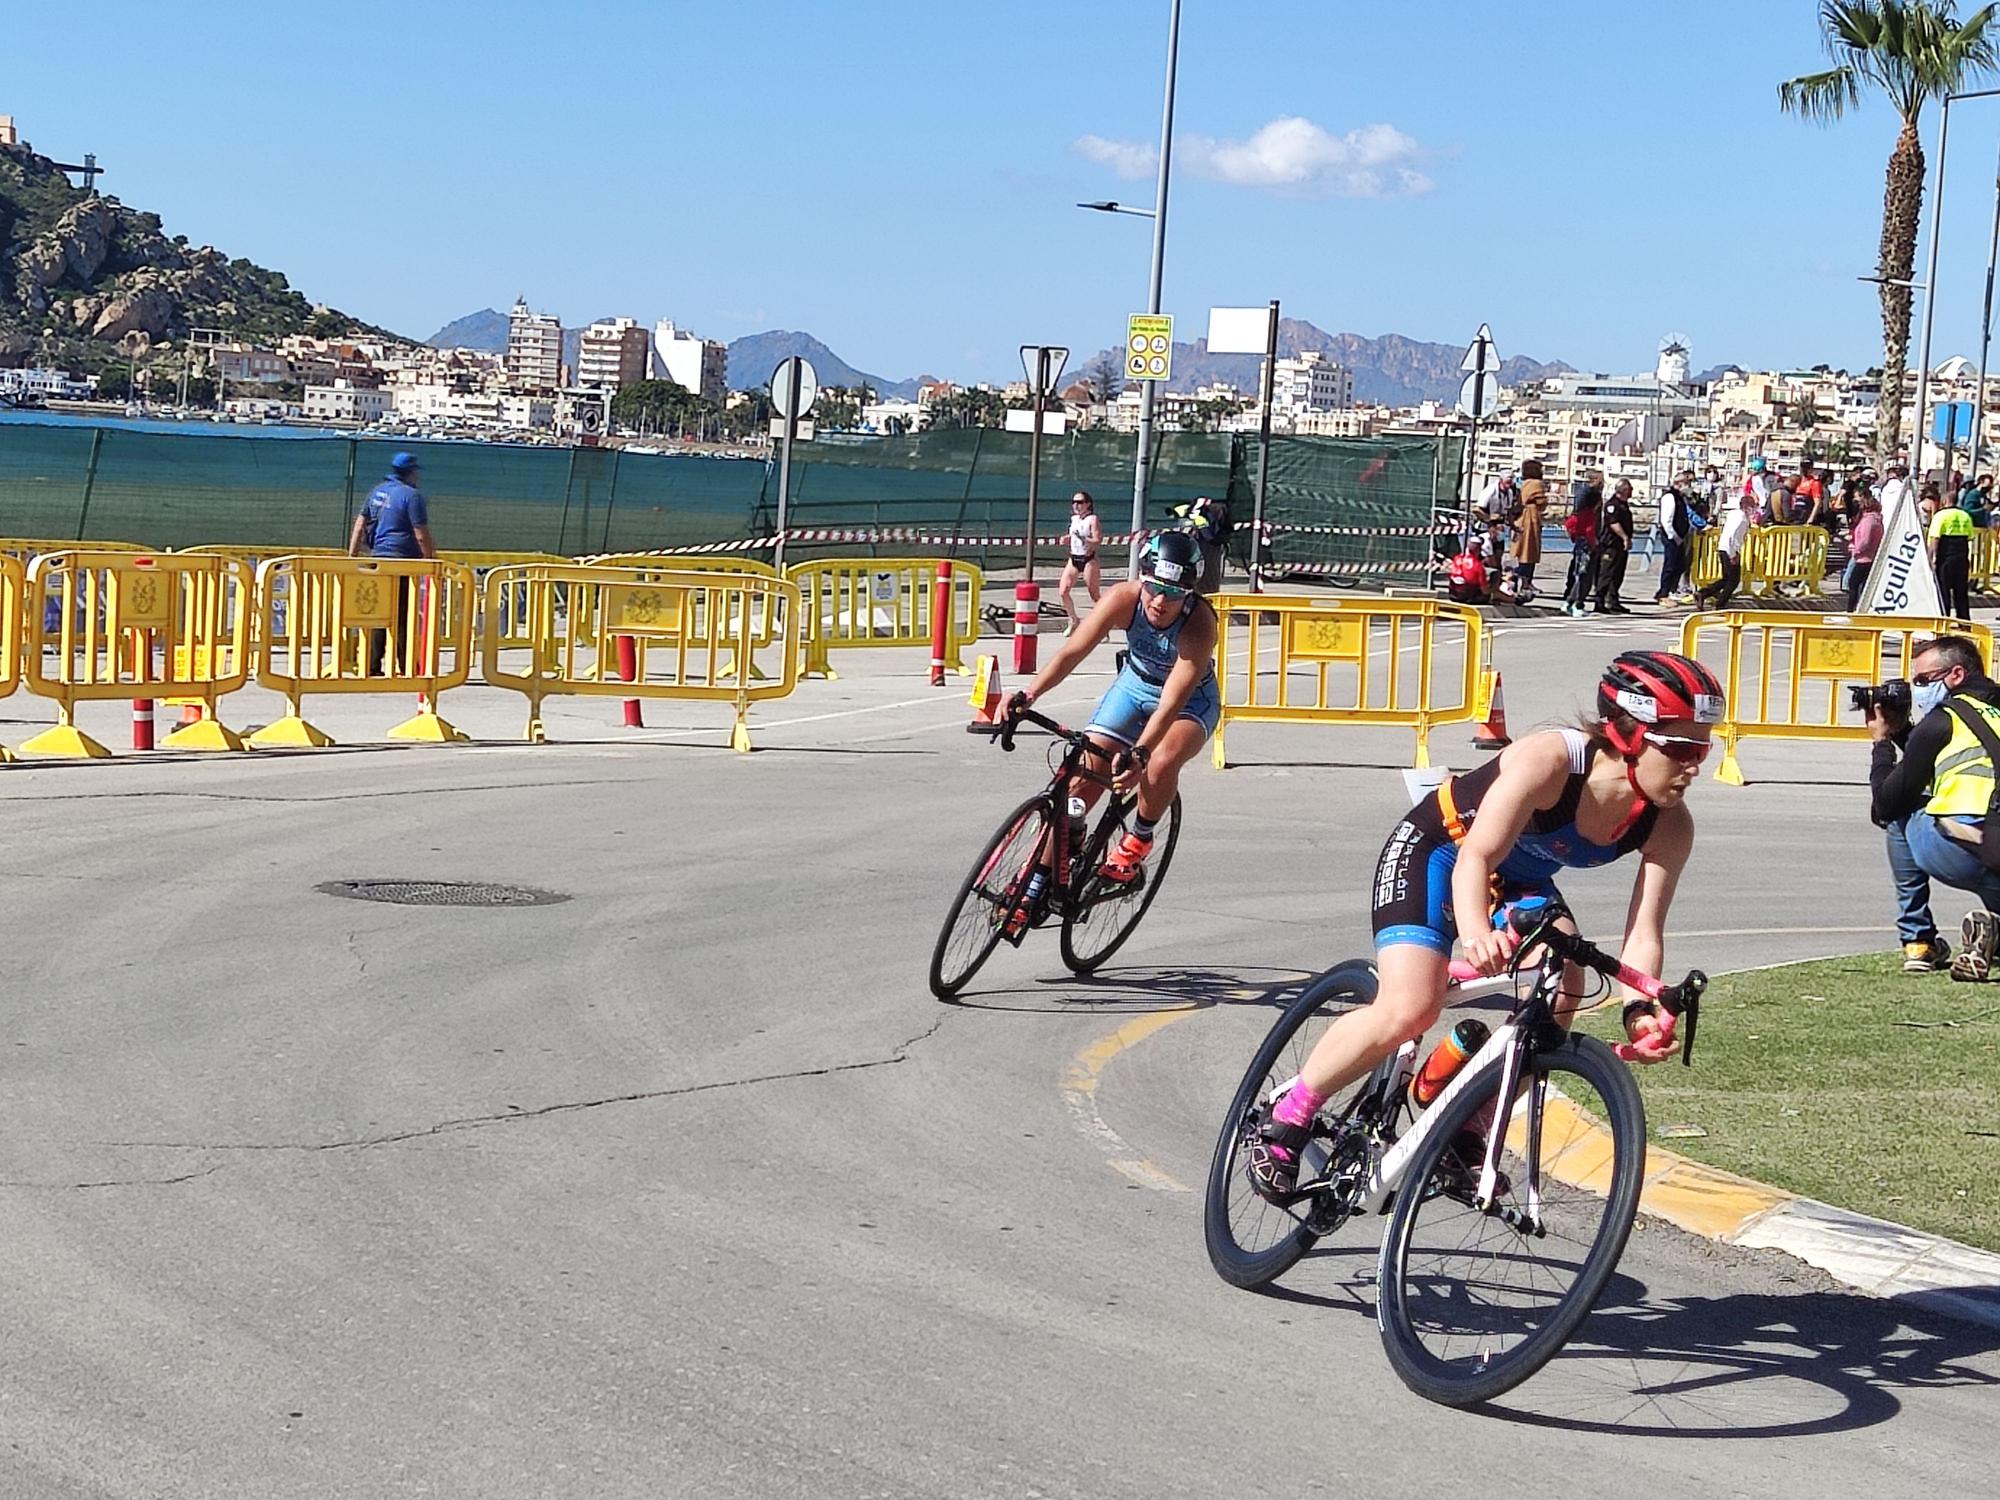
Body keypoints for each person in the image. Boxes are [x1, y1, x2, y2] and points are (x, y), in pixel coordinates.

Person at [1246, 650, 1717, 1200]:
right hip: (1442, 849)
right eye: (1681, 747)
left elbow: (1644, 932)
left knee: (1569, 983)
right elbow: (1475, 860)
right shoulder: (1550, 760)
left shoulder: (1669, 825)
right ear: (1627, 733)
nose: (1695, 765)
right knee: (1411, 1006)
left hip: (1517, 878)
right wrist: (1476, 933)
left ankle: (1471, 1120)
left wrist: (1641, 1008)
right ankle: (1289, 1112)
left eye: (1704, 746)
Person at [1000, 531, 1219, 933]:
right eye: (1154, 587)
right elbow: (1072, 651)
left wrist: (1140, 752)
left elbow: (1172, 701)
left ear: (1188, 594)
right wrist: (1029, 695)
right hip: (1134, 687)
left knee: (1160, 761)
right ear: (1144, 579)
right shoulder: (1124, 598)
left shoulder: (1199, 624)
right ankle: (1035, 884)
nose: (1158, 601)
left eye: (1172, 594)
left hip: (1188, 703)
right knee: (1080, 785)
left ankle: (1138, 840)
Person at [1869, 633, 2000, 980]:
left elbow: (1885, 802)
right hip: (1997, 847)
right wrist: (1904, 734)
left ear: (1956, 675)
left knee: (1901, 812)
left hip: (1958, 840)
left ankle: (1919, 941)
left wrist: (1882, 742)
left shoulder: (1943, 719)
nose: (1918, 690)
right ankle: (1991, 934)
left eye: (1924, 681)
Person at [349, 451, 437, 675]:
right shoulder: (412, 496)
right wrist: (433, 561)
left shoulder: (377, 492)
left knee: (379, 613)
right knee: (404, 616)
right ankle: (406, 665)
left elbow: (359, 526)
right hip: (403, 561)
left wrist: (352, 557)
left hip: (378, 559)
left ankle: (372, 665)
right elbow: (420, 533)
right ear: (412, 472)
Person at [1694, 490, 1760, 609]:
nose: (1753, 510)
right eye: (1752, 507)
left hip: (1724, 547)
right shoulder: (1741, 520)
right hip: (1730, 550)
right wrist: (1733, 554)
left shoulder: (1734, 515)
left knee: (1726, 578)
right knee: (1733, 580)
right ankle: (1720, 602)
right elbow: (1733, 536)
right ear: (1746, 507)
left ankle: (1704, 593)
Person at [1056, 490, 1102, 632]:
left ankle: (1102, 626)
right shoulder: (1074, 519)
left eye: (1080, 502)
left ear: (1088, 504)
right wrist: (1066, 539)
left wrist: (1085, 539)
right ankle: (1074, 619)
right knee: (1063, 591)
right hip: (1074, 558)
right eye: (1074, 502)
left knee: (1094, 595)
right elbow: (1073, 535)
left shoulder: (1092, 519)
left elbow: (1098, 539)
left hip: (1088, 559)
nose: (1076, 505)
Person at [1929, 487, 1976, 623]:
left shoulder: (1940, 516)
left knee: (1943, 591)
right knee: (1961, 592)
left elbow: (1935, 538)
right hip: (1961, 556)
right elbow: (1970, 538)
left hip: (1945, 556)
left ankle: (1945, 620)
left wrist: (1932, 557)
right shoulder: (1965, 516)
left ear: (1944, 500)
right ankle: (1964, 622)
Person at [1171, 494, 1233, 595]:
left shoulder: (1195, 518)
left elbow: (1211, 537)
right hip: (1204, 557)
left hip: (1203, 556)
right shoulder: (1199, 519)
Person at [1561, 473, 1602, 617]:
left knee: (1579, 573)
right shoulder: (1590, 514)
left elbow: (1570, 524)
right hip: (1586, 544)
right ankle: (1576, 603)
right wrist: (1594, 542)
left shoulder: (1579, 513)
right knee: (1584, 575)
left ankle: (1570, 601)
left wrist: (1574, 537)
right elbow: (1589, 530)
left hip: (1580, 542)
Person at [1593, 478, 1635, 614]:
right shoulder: (1613, 505)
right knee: (1606, 573)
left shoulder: (1624, 505)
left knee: (1618, 574)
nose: (1631, 492)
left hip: (1620, 546)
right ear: (1623, 490)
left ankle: (1613, 600)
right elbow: (1613, 523)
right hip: (1611, 544)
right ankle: (1599, 601)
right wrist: (1624, 537)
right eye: (1629, 489)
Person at [1653, 470, 1694, 605]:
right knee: (1670, 565)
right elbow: (1667, 520)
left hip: (1679, 537)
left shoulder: (1680, 497)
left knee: (1680, 564)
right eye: (1686, 483)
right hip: (1672, 537)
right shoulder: (1669, 497)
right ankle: (1663, 593)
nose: (1689, 486)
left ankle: (1671, 589)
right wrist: (1674, 537)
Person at [1509, 458, 1546, 600]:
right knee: (1528, 551)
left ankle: (1519, 580)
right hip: (1530, 518)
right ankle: (1524, 581)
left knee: (1520, 551)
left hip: (1522, 518)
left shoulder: (1523, 483)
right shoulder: (1536, 484)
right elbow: (1542, 502)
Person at [1846, 490, 1884, 612]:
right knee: (1862, 585)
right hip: (1871, 556)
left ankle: (1852, 610)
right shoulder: (1877, 520)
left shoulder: (1869, 521)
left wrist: (1856, 549)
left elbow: (1866, 540)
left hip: (1864, 558)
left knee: (1853, 584)